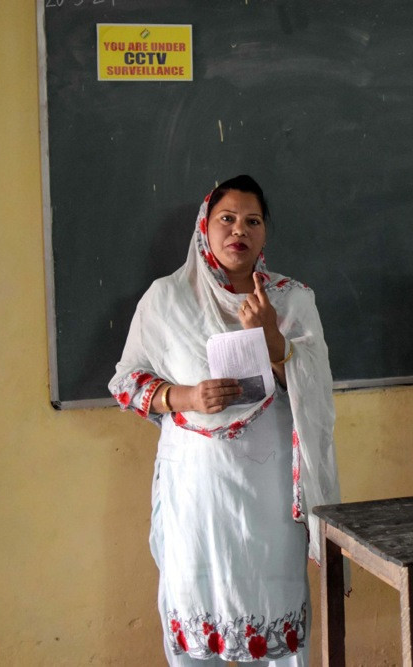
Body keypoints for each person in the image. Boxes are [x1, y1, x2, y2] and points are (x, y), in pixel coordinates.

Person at [109, 175, 342, 665]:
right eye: (227, 219)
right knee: (196, 619)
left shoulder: (292, 300)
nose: (240, 230)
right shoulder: (167, 299)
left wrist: (274, 342)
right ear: (205, 228)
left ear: (265, 233)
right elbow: (125, 383)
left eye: (252, 221)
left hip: (270, 495)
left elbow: (317, 385)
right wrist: (183, 395)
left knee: (275, 617)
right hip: (196, 495)